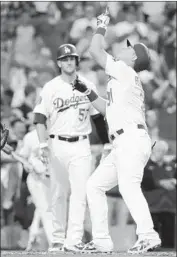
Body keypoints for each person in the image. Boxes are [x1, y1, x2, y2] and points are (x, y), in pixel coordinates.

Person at [72, 8, 161, 254]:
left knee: (128, 187)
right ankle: (102, 241)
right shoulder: (123, 77)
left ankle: (148, 235)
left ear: (133, 57)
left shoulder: (124, 70)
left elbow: (94, 51)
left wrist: (101, 24)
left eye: (129, 47)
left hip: (131, 138)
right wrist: (87, 91)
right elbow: (106, 109)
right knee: (95, 186)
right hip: (125, 140)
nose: (124, 46)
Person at [33, 43, 109, 252]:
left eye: (72, 58)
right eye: (65, 59)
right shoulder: (50, 87)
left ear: (76, 61)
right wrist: (42, 145)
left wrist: (107, 143)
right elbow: (39, 118)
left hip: (81, 145)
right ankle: (57, 238)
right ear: (59, 63)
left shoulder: (87, 83)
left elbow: (98, 118)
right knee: (58, 193)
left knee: (80, 193)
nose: (69, 62)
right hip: (56, 143)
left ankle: (73, 240)